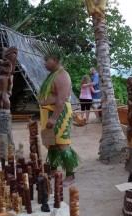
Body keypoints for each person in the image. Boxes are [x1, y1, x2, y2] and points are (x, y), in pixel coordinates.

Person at [37, 51, 80, 187]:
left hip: (58, 113)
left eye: (47, 60)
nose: (45, 63)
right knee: (51, 143)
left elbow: (61, 99)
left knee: (62, 144)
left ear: (55, 60)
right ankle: (54, 170)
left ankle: (70, 175)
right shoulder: (52, 75)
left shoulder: (62, 76)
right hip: (48, 113)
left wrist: (54, 118)